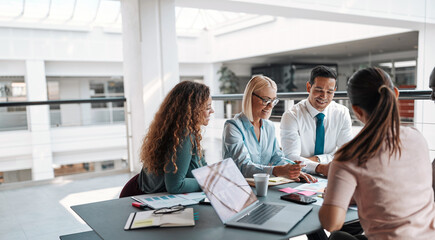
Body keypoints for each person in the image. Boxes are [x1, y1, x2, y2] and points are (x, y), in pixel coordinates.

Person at [319, 67, 435, 240]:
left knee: (337, 237)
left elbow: (331, 223)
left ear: (356, 110)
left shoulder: (349, 156)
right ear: (395, 93)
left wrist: (333, 196)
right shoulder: (417, 137)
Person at [222, 75, 315, 182]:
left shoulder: (269, 126)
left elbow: (276, 157)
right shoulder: (233, 127)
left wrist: (292, 168)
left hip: (263, 185)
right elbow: (243, 167)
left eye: (273, 101)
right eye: (266, 100)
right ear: (250, 97)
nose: (270, 106)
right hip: (239, 187)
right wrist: (277, 171)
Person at [137, 81, 214, 194]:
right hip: (143, 198)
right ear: (194, 110)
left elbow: (202, 166)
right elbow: (175, 186)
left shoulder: (184, 131)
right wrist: (208, 183)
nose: (212, 111)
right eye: (208, 108)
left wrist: (217, 177)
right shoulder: (183, 135)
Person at [280, 65, 353, 176]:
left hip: (330, 172)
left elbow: (347, 154)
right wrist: (321, 167)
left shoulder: (342, 113)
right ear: (309, 87)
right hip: (300, 174)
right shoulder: (291, 116)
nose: (323, 96)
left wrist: (317, 159)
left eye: (329, 92)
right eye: (319, 90)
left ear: (335, 91)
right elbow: (292, 158)